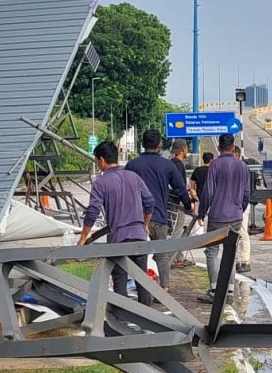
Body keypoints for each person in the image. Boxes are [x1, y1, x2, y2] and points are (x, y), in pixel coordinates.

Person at [78, 141, 155, 306]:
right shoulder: (134, 176)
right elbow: (149, 201)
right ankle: (149, 319)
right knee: (142, 280)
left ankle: (122, 320)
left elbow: (93, 211)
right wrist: (144, 224)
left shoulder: (101, 182)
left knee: (120, 280)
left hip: (118, 239)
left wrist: (83, 237)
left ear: (102, 160)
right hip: (139, 237)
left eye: (97, 161)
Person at [126, 130, 192, 292]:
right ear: (160, 145)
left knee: (136, 253)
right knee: (161, 255)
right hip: (159, 216)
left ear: (143, 144)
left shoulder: (132, 165)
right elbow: (181, 189)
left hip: (136, 219)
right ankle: (164, 287)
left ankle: (139, 286)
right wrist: (189, 206)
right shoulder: (167, 165)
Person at [196, 133, 250, 303]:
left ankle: (214, 290)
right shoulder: (243, 166)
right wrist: (240, 209)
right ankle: (230, 292)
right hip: (235, 216)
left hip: (217, 216)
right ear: (233, 147)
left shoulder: (215, 165)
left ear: (218, 148)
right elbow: (247, 193)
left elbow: (208, 192)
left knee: (212, 252)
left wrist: (202, 213)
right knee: (231, 253)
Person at [168, 139, 192, 269]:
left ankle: (178, 256)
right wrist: (188, 204)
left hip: (170, 202)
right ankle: (173, 258)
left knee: (174, 231)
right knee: (176, 232)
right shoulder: (178, 164)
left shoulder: (171, 163)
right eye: (186, 148)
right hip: (177, 203)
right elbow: (180, 187)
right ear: (183, 149)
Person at [233, 146, 252, 274]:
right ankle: (238, 260)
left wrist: (242, 207)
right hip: (235, 204)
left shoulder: (242, 168)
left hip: (241, 204)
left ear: (237, 155)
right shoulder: (233, 168)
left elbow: (246, 191)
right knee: (235, 235)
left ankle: (245, 261)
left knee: (243, 233)